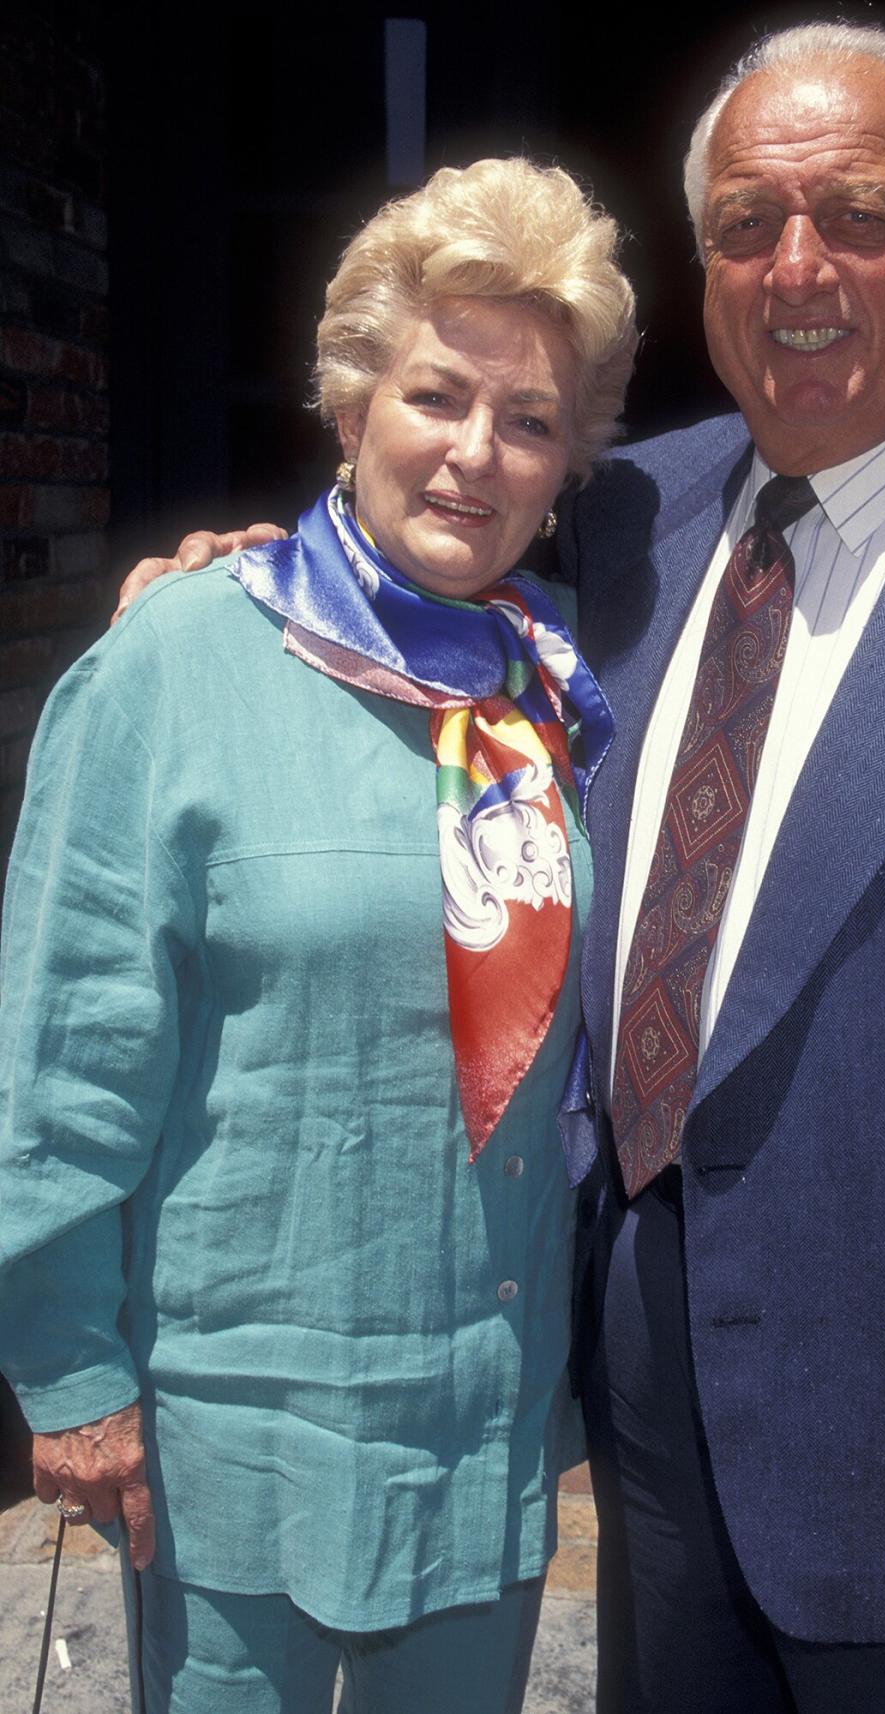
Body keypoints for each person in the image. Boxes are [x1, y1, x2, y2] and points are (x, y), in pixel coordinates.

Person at [115, 23, 885, 1714]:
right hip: (647, 1385)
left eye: (858, 212)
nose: (797, 266)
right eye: (743, 222)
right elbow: (427, 545)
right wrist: (244, 585)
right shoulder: (627, 513)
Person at [0, 156, 636, 1714]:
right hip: (240, 1422)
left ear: (571, 464)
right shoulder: (174, 665)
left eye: (531, 421)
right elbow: (67, 1050)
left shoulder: (557, 687)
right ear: (351, 401)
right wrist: (72, 1374)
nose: (475, 454)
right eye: (435, 395)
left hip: (483, 1403)